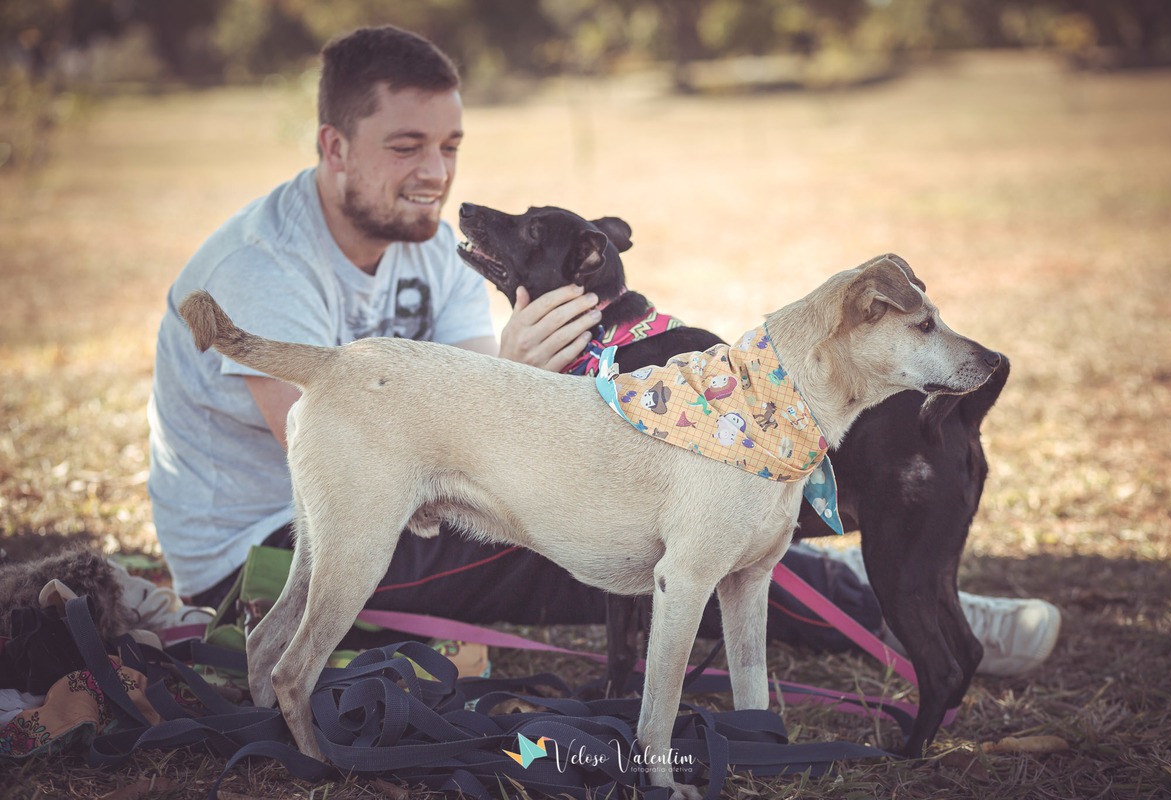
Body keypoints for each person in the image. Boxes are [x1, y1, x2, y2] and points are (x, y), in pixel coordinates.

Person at [147, 25, 1059, 678]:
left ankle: (872, 582)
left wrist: (524, 375)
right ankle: (909, 612)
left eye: (451, 144)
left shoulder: (423, 238)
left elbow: (477, 391)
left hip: (408, 479)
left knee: (650, 504)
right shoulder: (261, 270)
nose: (436, 172)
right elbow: (331, 442)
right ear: (334, 146)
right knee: (633, 537)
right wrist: (513, 384)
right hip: (270, 551)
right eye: (407, 146)